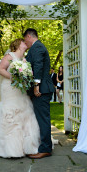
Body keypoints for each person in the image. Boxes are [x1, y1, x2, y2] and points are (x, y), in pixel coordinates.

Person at [0, 38, 40, 158]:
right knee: (11, 114)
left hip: (20, 90)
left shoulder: (24, 59)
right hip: (9, 88)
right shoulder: (10, 56)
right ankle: (10, 149)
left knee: (25, 113)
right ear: (18, 44)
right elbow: (0, 69)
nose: (25, 44)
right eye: (23, 42)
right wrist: (13, 77)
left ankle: (27, 147)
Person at [23, 28, 55, 159]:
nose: (26, 42)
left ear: (29, 36)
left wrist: (36, 86)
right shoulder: (37, 47)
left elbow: (38, 66)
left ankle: (46, 149)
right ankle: (44, 146)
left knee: (43, 120)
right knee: (42, 119)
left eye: (25, 39)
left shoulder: (37, 47)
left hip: (41, 90)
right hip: (42, 89)